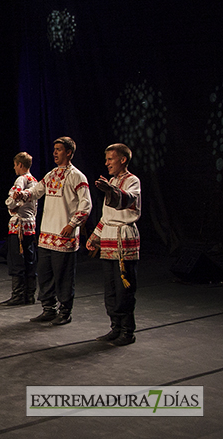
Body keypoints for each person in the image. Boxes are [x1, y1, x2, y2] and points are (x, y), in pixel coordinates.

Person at [14, 137, 92, 326]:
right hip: (47, 235)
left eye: (59, 149)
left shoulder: (77, 176)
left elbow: (86, 204)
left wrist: (73, 224)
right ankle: (49, 309)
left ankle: (65, 311)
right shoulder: (51, 175)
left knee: (63, 276)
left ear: (69, 153)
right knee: (45, 273)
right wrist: (22, 194)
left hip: (64, 235)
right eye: (54, 149)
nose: (55, 153)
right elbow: (36, 191)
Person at [86, 143, 141, 346]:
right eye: (107, 159)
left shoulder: (132, 181)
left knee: (123, 288)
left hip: (123, 238)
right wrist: (95, 236)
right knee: (110, 288)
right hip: (109, 237)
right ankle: (115, 327)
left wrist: (112, 190)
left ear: (123, 159)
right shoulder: (112, 181)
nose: (107, 163)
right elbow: (106, 215)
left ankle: (127, 331)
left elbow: (127, 201)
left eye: (111, 159)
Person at [0, 152, 39, 306]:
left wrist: (12, 203)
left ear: (20, 165)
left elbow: (12, 200)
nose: (14, 167)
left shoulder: (21, 179)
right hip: (30, 225)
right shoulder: (34, 180)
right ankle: (29, 295)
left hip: (19, 226)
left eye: (15, 164)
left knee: (17, 260)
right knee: (29, 260)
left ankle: (18, 295)